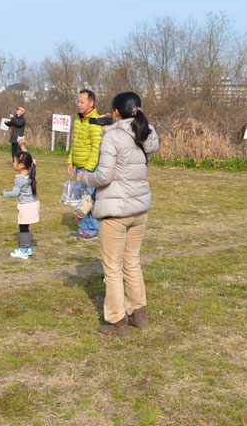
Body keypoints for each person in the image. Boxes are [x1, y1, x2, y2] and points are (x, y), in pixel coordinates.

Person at [77, 91, 159, 337]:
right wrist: (112, 127)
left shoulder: (112, 137)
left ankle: (117, 322)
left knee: (112, 268)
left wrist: (84, 178)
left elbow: (103, 176)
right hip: (139, 210)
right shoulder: (146, 133)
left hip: (115, 212)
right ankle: (138, 315)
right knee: (131, 262)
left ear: (115, 113)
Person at [67, 89, 106, 240]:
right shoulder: (78, 119)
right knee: (80, 199)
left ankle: (92, 230)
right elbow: (75, 142)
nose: (79, 104)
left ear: (91, 103)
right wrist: (71, 161)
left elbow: (96, 148)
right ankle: (83, 228)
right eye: (78, 101)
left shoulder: (94, 121)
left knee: (89, 198)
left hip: (89, 168)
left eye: (82, 101)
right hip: (79, 166)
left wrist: (87, 170)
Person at [2, 150, 40, 259]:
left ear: (21, 165)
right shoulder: (30, 173)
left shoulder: (19, 179)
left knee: (23, 228)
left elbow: (15, 193)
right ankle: (27, 247)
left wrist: (5, 194)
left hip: (26, 206)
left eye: (14, 162)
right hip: (34, 203)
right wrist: (22, 145)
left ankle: (24, 249)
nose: (13, 164)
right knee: (25, 227)